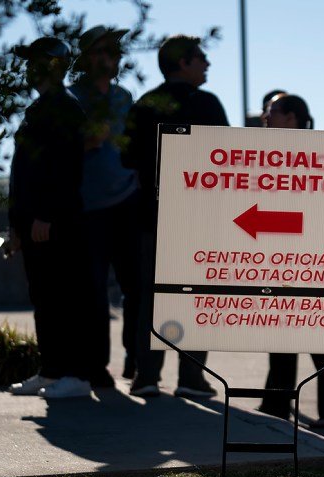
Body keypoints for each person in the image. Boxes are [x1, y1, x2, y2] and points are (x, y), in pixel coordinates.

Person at [123, 34, 229, 398]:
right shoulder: (207, 103)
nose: (207, 64)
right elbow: (227, 157)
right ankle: (191, 378)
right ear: (183, 62)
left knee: (151, 296)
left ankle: (146, 376)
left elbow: (128, 161)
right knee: (197, 296)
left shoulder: (144, 105)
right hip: (199, 218)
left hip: (152, 217)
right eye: (201, 57)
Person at [256, 93, 324, 428]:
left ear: (292, 118)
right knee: (281, 332)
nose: (264, 118)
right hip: (281, 256)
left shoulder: (318, 154)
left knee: (321, 333)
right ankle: (275, 404)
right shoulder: (267, 154)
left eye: (270, 112)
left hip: (313, 258)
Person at [7, 37, 93, 399]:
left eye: (36, 61)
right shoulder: (38, 108)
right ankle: (52, 370)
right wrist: (16, 225)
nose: (29, 68)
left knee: (64, 297)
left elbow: (64, 170)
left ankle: (76, 375)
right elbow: (22, 172)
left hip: (55, 223)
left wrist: (46, 215)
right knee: (44, 296)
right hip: (33, 223)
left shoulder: (65, 108)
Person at [68, 25, 141, 387]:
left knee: (137, 286)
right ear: (86, 58)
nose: (110, 57)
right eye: (101, 51)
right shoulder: (72, 99)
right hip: (88, 207)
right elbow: (58, 153)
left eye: (114, 51)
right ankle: (96, 367)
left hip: (127, 201)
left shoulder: (124, 97)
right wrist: (85, 141)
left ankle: (136, 357)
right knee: (93, 291)